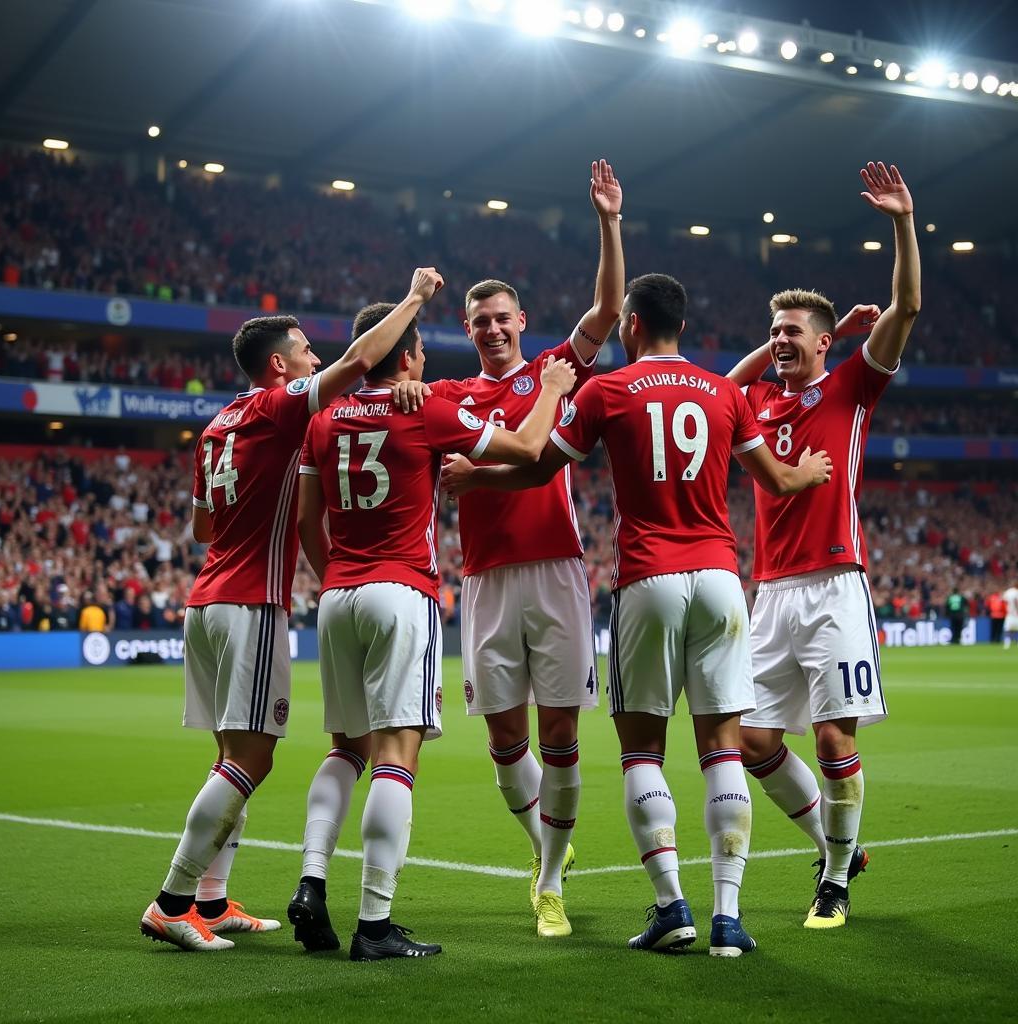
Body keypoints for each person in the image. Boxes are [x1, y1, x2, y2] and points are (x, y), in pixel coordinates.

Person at [445, 273, 831, 956]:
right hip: (719, 576)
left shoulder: (608, 391)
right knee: (721, 749)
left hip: (648, 576)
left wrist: (479, 477)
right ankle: (727, 919)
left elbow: (537, 468)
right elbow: (776, 478)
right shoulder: (722, 391)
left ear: (631, 326)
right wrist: (812, 471)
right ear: (682, 325)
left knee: (641, 751)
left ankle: (671, 904)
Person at [139, 267, 445, 952]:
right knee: (251, 759)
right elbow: (364, 360)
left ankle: (212, 902)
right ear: (279, 365)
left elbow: (200, 529)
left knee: (230, 756)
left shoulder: (216, 425)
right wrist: (416, 297)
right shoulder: (279, 410)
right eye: (307, 350)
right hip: (250, 602)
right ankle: (172, 899)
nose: (316, 357)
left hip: (206, 597)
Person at [288, 300, 578, 960]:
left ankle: (311, 880)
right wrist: (554, 391)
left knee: (345, 748)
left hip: (336, 595)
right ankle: (374, 923)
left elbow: (309, 525)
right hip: (401, 588)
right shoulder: (423, 409)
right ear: (411, 356)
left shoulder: (323, 417)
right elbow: (530, 448)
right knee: (396, 752)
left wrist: (339, 576)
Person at [395, 159, 625, 937]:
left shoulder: (554, 370)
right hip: (486, 581)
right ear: (467, 330)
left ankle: (552, 882)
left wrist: (607, 220)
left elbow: (609, 307)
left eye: (503, 318)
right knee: (504, 738)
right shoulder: (453, 396)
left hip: (558, 569)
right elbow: (393, 398)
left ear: (521, 322)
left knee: (560, 733)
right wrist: (398, 382)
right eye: (480, 321)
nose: (493, 329)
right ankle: (544, 851)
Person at [726, 162, 920, 929]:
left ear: (825, 343)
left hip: (836, 581)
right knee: (751, 738)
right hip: (770, 590)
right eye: (773, 331)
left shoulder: (851, 387)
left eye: (789, 332)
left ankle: (833, 881)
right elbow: (717, 384)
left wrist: (902, 222)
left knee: (834, 733)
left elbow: (906, 305)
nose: (778, 341)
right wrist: (788, 334)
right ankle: (838, 848)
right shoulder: (755, 401)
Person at [1003, 582, 1018, 650]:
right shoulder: (1015, 592)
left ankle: (1007, 644)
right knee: (1009, 629)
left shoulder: (1009, 591)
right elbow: (1015, 602)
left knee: (1007, 629)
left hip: (1010, 614)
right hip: (1014, 614)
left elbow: (1003, 600)